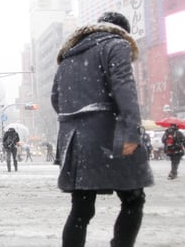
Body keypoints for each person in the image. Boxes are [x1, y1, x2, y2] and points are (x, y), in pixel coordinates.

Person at [51, 12, 154, 246]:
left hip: (76, 142)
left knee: (81, 210)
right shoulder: (116, 45)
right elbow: (125, 90)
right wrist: (131, 133)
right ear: (123, 31)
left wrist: (77, 123)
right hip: (109, 134)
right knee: (132, 198)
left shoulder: (68, 56)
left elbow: (57, 99)